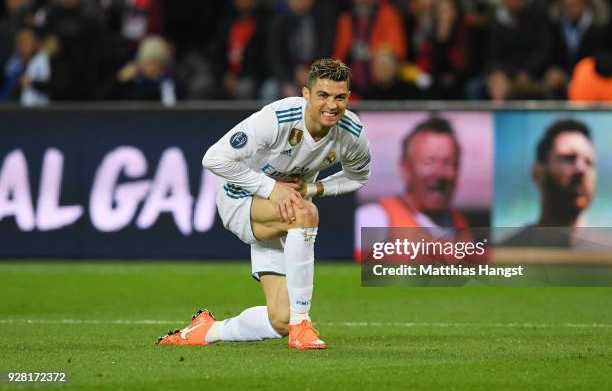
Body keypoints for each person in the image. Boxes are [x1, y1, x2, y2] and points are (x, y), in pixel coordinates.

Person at [157, 58, 371, 349]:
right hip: (240, 201)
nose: (331, 105)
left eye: (340, 97)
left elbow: (359, 176)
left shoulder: (351, 132)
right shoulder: (278, 118)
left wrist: (313, 187)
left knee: (279, 319)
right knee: (305, 212)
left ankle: (206, 331)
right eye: (322, 95)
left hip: (281, 217)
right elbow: (214, 158)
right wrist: (271, 188)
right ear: (306, 95)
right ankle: (302, 325)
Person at [355, 117, 470, 258]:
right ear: (406, 167)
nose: (439, 173)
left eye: (448, 163)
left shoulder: (461, 226)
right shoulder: (373, 219)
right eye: (429, 162)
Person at [502, 119, 596, 247]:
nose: (581, 169)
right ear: (538, 172)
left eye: (589, 162)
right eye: (569, 158)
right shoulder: (508, 252)